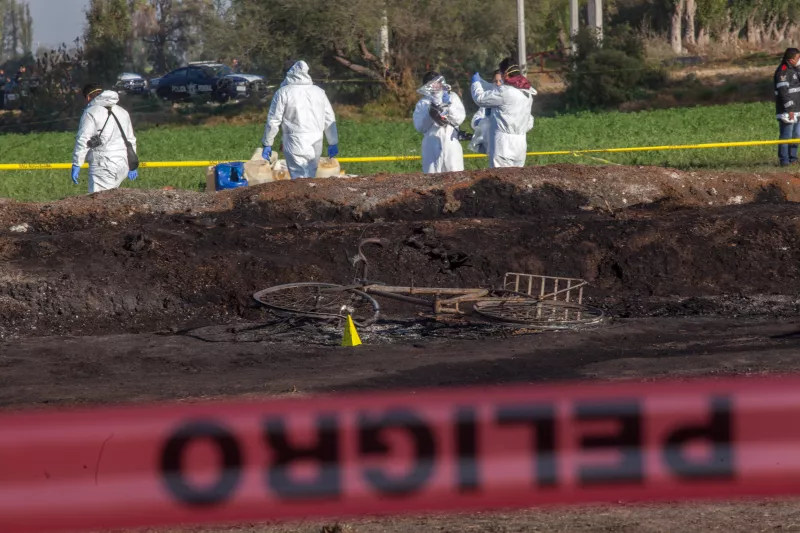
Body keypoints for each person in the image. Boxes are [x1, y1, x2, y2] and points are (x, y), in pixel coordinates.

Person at [261, 60, 338, 179]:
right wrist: (332, 142)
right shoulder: (319, 92)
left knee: (298, 179)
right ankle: (311, 197)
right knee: (311, 176)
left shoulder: (283, 93)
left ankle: (304, 197)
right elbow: (329, 118)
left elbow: (273, 121)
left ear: (290, 74)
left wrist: (267, 143)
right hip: (316, 141)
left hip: (294, 140)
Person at [71, 83, 138, 193]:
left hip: (103, 164)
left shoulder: (91, 112)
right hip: (123, 164)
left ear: (88, 97)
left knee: (98, 203)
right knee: (111, 202)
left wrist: (77, 163)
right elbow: (130, 139)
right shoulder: (123, 112)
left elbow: (83, 139)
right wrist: (133, 164)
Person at [470, 58, 536, 168]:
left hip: (503, 145)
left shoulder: (505, 91)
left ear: (505, 73)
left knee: (500, 181)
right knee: (517, 180)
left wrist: (476, 83)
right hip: (520, 144)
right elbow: (528, 122)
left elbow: (480, 99)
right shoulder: (527, 93)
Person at [413, 71, 466, 173]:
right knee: (432, 180)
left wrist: (448, 106)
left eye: (436, 82)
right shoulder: (423, 103)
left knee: (455, 178)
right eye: (430, 84)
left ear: (442, 83)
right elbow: (420, 126)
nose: (434, 86)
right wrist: (431, 111)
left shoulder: (452, 97)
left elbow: (459, 118)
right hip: (431, 145)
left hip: (451, 144)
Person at [775, 48, 800, 167]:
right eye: (798, 58)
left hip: (798, 109)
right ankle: (784, 161)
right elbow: (783, 92)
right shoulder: (782, 72)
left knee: (797, 136)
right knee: (786, 136)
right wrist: (790, 109)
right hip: (787, 111)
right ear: (791, 60)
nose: (799, 60)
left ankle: (793, 159)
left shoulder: (795, 70)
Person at [469, 70, 503, 155]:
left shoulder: (509, 98)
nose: (498, 83)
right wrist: (479, 121)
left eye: (500, 81)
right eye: (495, 81)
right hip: (493, 143)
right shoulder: (489, 100)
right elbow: (476, 118)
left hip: (506, 141)